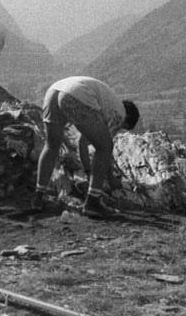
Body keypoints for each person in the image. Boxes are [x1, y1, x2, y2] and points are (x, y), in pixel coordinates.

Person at [32, 76, 140, 218]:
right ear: (127, 119)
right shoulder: (120, 113)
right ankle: (93, 203)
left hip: (54, 91)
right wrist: (111, 179)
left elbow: (82, 142)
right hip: (76, 94)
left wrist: (88, 171)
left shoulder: (107, 103)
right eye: (123, 128)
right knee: (106, 146)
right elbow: (105, 149)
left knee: (52, 146)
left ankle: (38, 198)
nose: (119, 129)